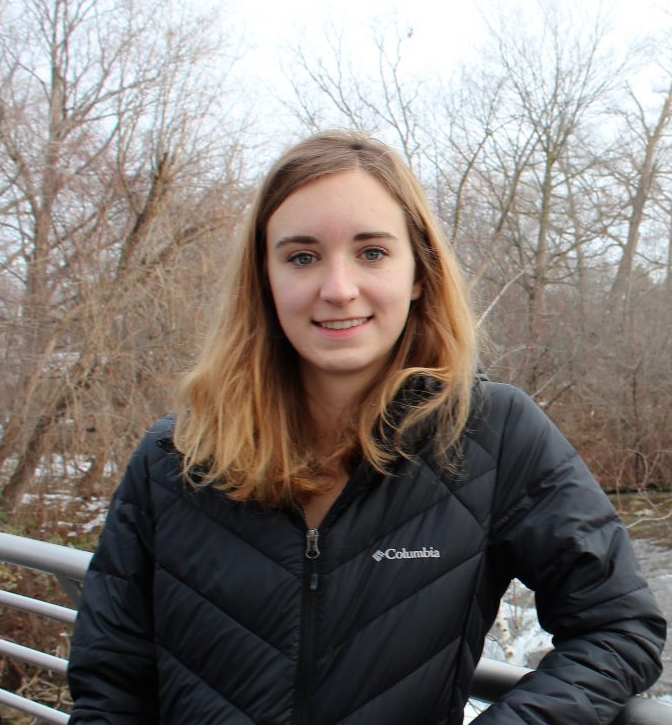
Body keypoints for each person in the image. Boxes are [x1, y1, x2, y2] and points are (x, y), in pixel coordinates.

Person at [67, 130, 665, 724]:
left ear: (418, 274)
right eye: (301, 257)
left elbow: (618, 627)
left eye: (372, 252)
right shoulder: (174, 458)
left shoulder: (492, 433)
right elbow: (111, 685)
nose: (338, 289)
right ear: (264, 279)